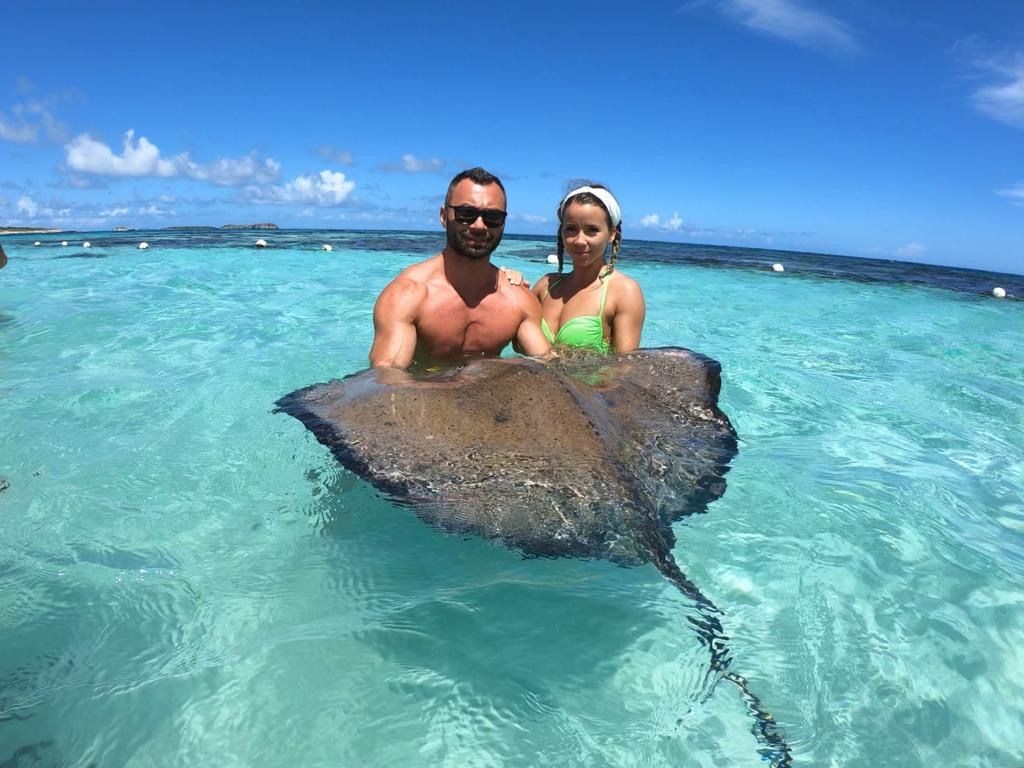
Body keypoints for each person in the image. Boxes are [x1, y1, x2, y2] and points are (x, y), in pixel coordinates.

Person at [369, 167, 551, 369]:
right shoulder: (408, 295)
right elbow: (386, 379)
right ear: (444, 216)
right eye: (466, 214)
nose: (479, 226)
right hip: (422, 398)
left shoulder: (518, 301)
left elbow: (550, 366)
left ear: (503, 223)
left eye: (492, 217)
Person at [528, 184, 645, 354]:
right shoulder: (546, 285)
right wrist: (510, 282)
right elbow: (509, 324)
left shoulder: (624, 292)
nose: (579, 241)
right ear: (561, 232)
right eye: (571, 229)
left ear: (612, 234)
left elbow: (623, 371)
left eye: (592, 230)